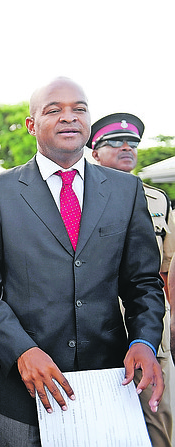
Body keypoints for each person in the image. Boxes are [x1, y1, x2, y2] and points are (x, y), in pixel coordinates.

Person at [0, 77, 165, 446]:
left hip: (109, 386)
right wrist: (21, 350)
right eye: (54, 110)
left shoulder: (125, 190)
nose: (69, 117)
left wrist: (145, 342)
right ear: (31, 124)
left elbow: (143, 283)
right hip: (21, 396)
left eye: (79, 109)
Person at [88, 112, 174, 447]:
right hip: (99, 330)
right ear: (94, 152)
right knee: (102, 424)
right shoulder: (75, 197)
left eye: (133, 143)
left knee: (158, 419)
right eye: (114, 142)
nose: (127, 147)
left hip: (150, 332)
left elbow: (165, 270)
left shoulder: (158, 201)